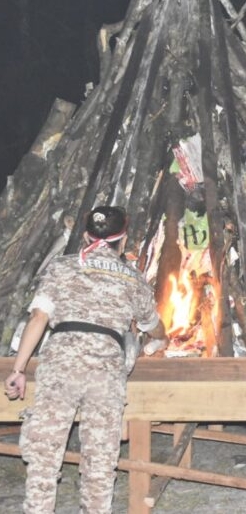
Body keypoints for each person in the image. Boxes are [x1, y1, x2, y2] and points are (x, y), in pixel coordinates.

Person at [3, 206, 165, 513]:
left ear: (86, 236)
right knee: (100, 463)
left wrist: (19, 369)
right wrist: (163, 336)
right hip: (105, 372)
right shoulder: (133, 279)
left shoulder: (62, 268)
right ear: (124, 239)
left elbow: (39, 317)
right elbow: (151, 324)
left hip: (60, 365)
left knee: (43, 458)